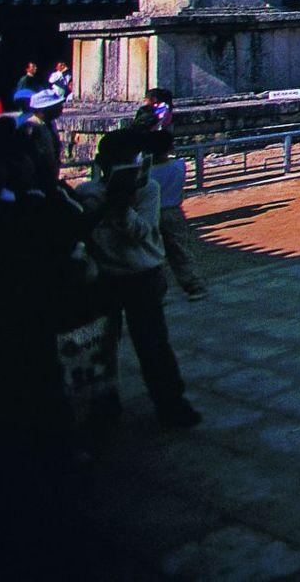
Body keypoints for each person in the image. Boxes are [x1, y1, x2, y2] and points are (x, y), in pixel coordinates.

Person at [79, 129, 200, 428]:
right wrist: (107, 202)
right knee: (102, 344)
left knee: (153, 343)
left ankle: (169, 401)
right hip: (105, 276)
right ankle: (104, 401)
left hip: (143, 276)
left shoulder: (148, 191)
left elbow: (141, 231)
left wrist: (122, 207)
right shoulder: (88, 193)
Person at [141, 117, 207, 301]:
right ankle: (193, 285)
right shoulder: (179, 166)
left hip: (150, 212)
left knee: (151, 251)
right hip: (173, 211)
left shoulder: (145, 171)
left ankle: (155, 291)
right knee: (179, 250)